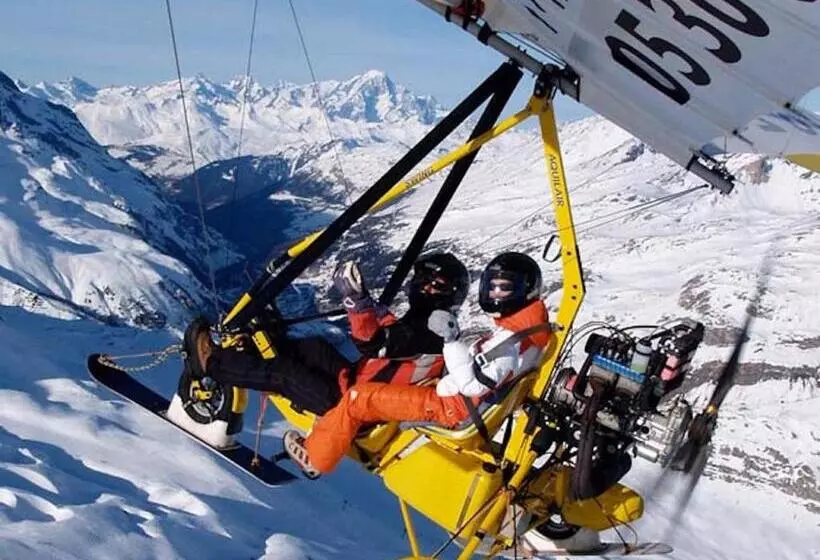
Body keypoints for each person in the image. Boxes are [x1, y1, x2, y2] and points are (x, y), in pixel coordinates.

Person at [283, 251, 552, 479]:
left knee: (358, 397)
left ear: (525, 291)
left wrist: (451, 341)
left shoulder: (512, 342)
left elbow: (473, 384)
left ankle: (315, 459)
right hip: (453, 400)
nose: (495, 294)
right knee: (335, 371)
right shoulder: (526, 333)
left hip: (450, 407)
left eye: (504, 288)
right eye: (492, 286)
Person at [182, 251, 470, 417]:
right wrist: (371, 306)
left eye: (437, 285)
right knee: (314, 348)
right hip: (355, 384)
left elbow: (375, 344)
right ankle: (248, 354)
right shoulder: (424, 322)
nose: (426, 288)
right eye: (423, 280)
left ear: (452, 295)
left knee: (285, 374)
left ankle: (211, 364)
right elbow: (396, 334)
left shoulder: (436, 330)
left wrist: (358, 304)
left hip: (352, 409)